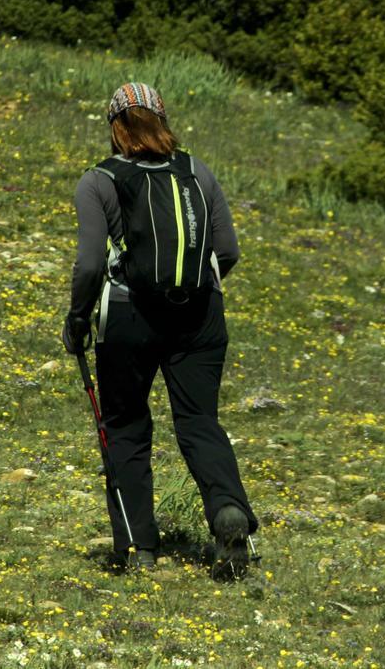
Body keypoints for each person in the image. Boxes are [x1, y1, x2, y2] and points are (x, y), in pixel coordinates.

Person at [62, 82, 258, 579]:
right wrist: (195, 295)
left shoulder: (99, 181)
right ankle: (227, 511)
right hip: (200, 314)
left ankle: (137, 548)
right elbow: (227, 250)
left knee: (126, 427)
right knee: (199, 421)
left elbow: (88, 266)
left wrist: (79, 317)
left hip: (129, 316)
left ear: (115, 127)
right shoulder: (197, 172)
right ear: (163, 122)